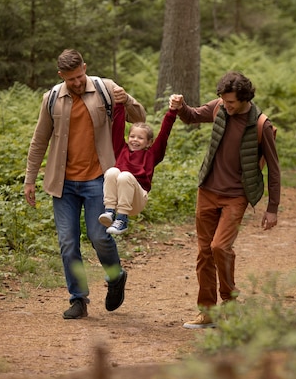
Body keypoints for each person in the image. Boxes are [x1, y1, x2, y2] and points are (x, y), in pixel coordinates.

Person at [24, 49, 146, 319]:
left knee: (100, 236)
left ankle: (116, 277)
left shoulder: (106, 88)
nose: (77, 83)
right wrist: (29, 179)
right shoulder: (52, 98)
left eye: (80, 76)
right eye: (71, 79)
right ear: (61, 76)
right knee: (68, 243)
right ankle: (78, 299)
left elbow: (141, 117)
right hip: (63, 184)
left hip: (98, 180)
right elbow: (39, 140)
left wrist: (127, 101)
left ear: (85, 68)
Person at [169, 71, 280, 329]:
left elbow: (274, 169)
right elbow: (192, 116)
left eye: (231, 102)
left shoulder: (262, 125)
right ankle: (207, 312)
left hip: (236, 196)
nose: (226, 105)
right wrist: (180, 106)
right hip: (207, 190)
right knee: (204, 253)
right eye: (224, 100)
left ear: (244, 99)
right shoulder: (219, 107)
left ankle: (230, 304)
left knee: (220, 247)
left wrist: (272, 208)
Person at [98, 99, 178, 235]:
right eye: (132, 136)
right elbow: (117, 127)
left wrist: (172, 111)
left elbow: (164, 133)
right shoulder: (120, 149)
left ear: (148, 143)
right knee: (112, 171)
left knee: (125, 175)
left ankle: (122, 219)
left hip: (137, 199)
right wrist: (119, 104)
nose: (135, 140)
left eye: (140, 138)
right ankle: (110, 211)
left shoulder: (152, 154)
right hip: (119, 197)